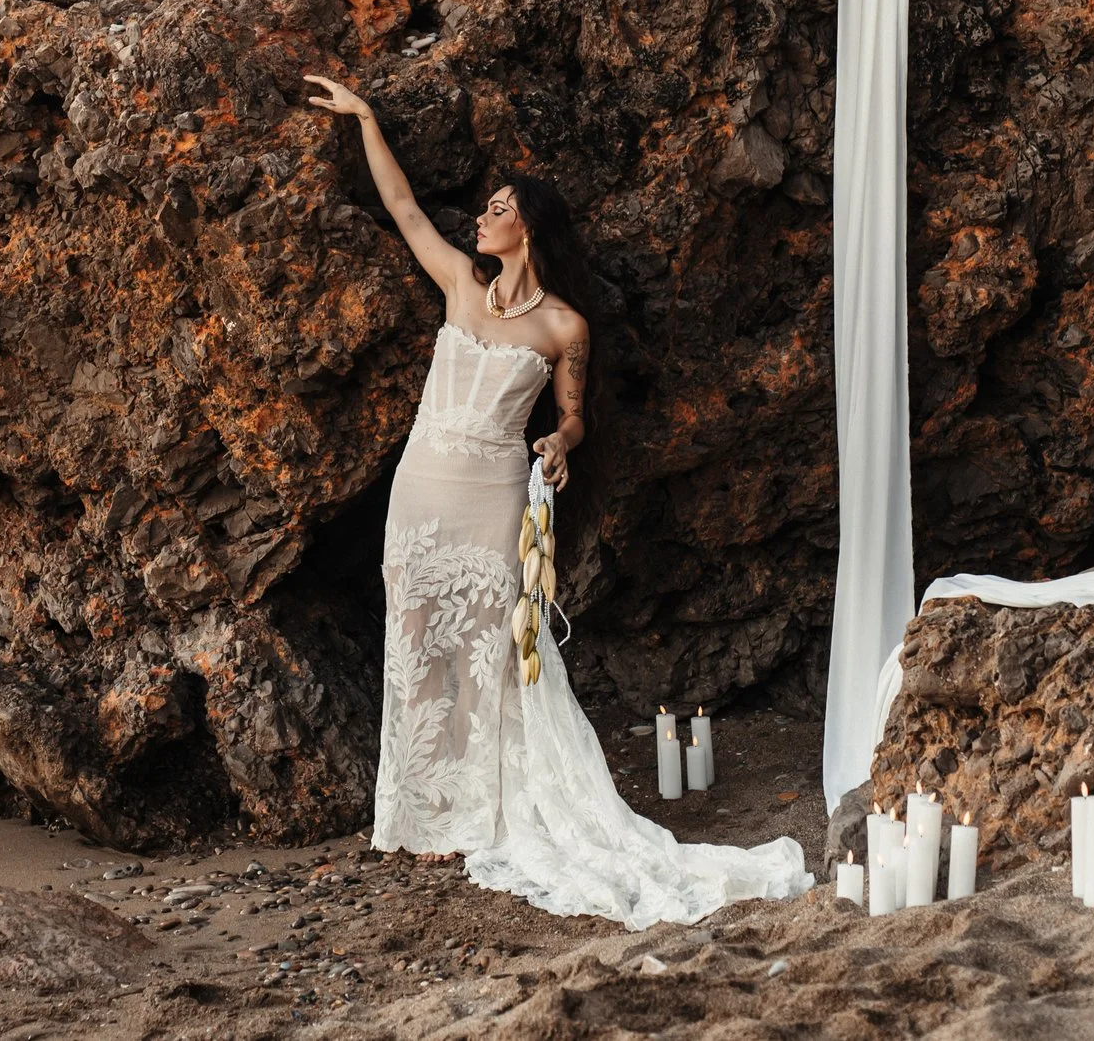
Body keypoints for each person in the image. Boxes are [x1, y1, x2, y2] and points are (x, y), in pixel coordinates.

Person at [306, 73, 810, 927]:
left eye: (498, 207)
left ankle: (477, 813)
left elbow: (576, 416)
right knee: (418, 641)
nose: (482, 216)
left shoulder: (564, 326)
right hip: (422, 485)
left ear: (527, 226)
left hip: (494, 492)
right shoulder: (460, 284)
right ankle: (423, 808)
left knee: (488, 653)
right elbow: (401, 206)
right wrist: (366, 120)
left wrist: (559, 443)